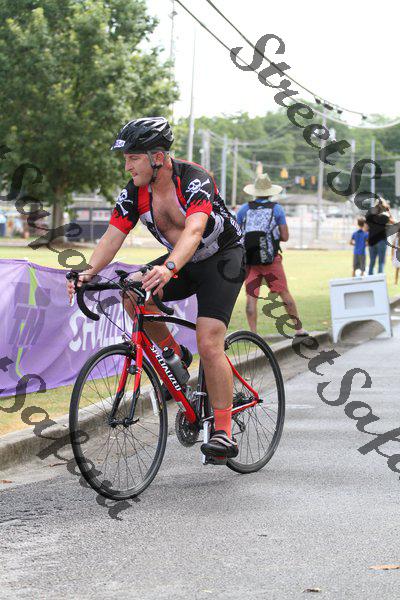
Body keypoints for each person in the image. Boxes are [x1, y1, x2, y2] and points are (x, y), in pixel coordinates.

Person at [66, 117, 245, 460]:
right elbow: (112, 237)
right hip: (182, 260)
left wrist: (169, 268)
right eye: (125, 158)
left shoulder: (194, 179)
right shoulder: (135, 192)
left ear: (158, 157)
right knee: (132, 293)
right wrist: (87, 273)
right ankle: (175, 355)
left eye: (133, 157)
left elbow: (194, 231)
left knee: (209, 341)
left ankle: (223, 432)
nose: (127, 165)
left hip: (222, 259)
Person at [236, 173, 307, 337]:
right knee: (284, 293)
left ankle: (254, 334)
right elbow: (285, 236)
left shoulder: (244, 209)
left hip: (250, 261)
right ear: (270, 192)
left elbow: (238, 234)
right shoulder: (277, 209)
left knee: (251, 297)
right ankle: (299, 329)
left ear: (254, 191)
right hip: (271, 260)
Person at [366, 197, 394, 275]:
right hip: (381, 241)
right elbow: (393, 222)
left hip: (372, 240)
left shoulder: (370, 216)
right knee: (381, 262)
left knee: (372, 261)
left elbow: (366, 228)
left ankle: (370, 278)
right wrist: (388, 211)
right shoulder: (385, 216)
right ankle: (380, 279)